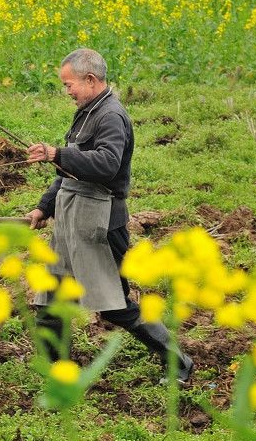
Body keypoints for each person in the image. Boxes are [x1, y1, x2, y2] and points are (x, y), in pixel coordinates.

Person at [25, 48, 193, 381]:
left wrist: (56, 152)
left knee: (115, 305)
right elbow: (68, 170)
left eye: (69, 84)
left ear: (90, 80)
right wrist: (44, 206)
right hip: (70, 216)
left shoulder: (111, 116)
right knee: (49, 301)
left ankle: (178, 362)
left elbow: (105, 165)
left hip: (99, 222)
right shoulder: (86, 111)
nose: (67, 91)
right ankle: (60, 376)